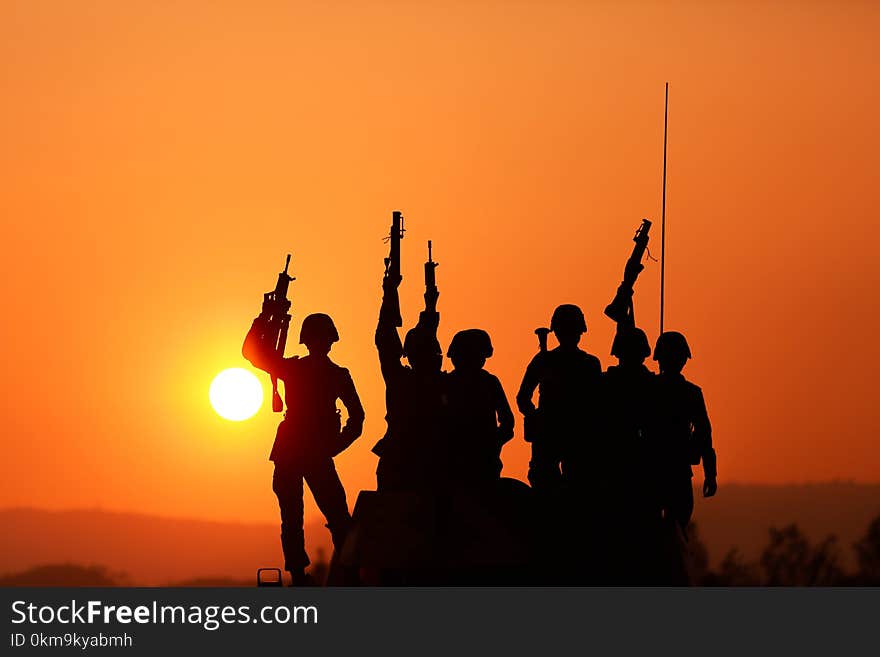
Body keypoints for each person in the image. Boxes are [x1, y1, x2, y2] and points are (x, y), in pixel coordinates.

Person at [243, 311, 364, 586]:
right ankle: (339, 575)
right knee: (324, 516)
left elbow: (251, 353)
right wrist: (334, 446)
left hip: (299, 451)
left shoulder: (300, 370)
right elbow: (357, 420)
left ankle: (314, 576)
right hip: (306, 452)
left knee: (304, 517)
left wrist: (263, 320)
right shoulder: (333, 374)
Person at [372, 272, 448, 491]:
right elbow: (386, 339)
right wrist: (390, 294)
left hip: (422, 461)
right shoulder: (435, 383)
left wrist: (390, 295)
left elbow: (387, 340)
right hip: (415, 461)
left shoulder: (403, 380)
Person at [516, 304, 602, 492]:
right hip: (550, 434)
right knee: (545, 484)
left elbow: (598, 403)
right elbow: (523, 398)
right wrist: (537, 417)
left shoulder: (589, 364)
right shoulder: (543, 361)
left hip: (578, 434)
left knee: (579, 485)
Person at [649, 331, 717, 535]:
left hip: (661, 469)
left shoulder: (650, 389)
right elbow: (704, 434)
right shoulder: (689, 393)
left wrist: (711, 473)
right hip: (666, 470)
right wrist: (710, 474)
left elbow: (704, 434)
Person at [444, 329, 514, 487]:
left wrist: (493, 443)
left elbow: (508, 423)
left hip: (484, 462)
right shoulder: (447, 384)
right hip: (453, 462)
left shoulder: (489, 383)